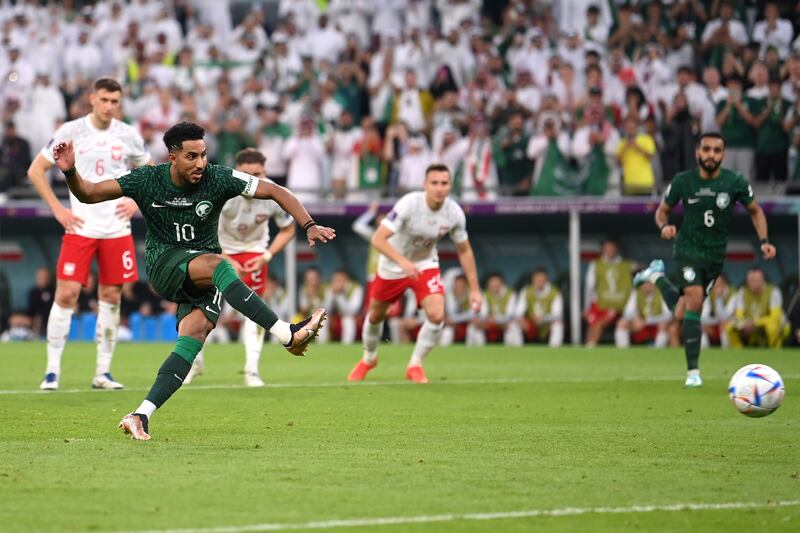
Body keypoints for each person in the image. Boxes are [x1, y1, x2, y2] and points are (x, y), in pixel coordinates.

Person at [52, 121, 335, 440]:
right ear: (172, 157)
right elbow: (89, 193)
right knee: (220, 264)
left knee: (194, 336)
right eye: (191, 156)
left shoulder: (217, 177)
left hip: (203, 272)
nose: (200, 163)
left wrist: (308, 224)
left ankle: (141, 414)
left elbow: (274, 190)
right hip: (165, 264)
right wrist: (71, 171)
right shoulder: (148, 179)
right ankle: (287, 334)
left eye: (203, 154)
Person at [27, 78, 152, 391]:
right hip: (80, 227)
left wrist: (135, 200)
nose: (109, 106)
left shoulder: (128, 135)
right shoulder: (71, 130)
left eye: (115, 101)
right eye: (105, 100)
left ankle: (103, 372)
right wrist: (57, 209)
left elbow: (151, 171)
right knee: (66, 294)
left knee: (111, 297)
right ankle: (52, 370)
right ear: (92, 99)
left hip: (116, 230)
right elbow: (35, 170)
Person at [634, 132, 776, 387]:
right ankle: (693, 373)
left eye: (717, 150)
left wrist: (765, 241)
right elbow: (661, 212)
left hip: (714, 256)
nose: (711, 155)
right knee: (696, 302)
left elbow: (756, 211)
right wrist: (664, 226)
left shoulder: (734, 182)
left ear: (723, 154)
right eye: (706, 149)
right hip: (688, 249)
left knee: (681, 312)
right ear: (697, 153)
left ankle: (655, 276)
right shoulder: (683, 181)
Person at [347, 163, 482, 383]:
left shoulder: (454, 213)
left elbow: (464, 250)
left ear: (450, 186)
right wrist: (403, 263)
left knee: (437, 315)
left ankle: (415, 364)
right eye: (435, 183)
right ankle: (369, 359)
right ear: (425, 185)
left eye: (444, 183)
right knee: (375, 316)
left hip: (425, 264)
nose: (439, 188)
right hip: (392, 265)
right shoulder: (409, 204)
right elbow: (378, 239)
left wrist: (475, 290)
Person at [185, 148, 297, 387]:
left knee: (254, 311)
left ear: (265, 172)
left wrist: (266, 256)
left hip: (255, 252)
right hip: (218, 250)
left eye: (258, 174)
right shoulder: (222, 191)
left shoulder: (274, 193)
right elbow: (199, 229)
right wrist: (223, 257)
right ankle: (194, 364)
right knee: (200, 307)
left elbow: (289, 229)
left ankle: (252, 370)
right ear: (237, 173)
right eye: (247, 174)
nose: (253, 180)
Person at [583, 238, 633, 347]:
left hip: (615, 304)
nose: (609, 250)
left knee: (599, 324)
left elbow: (639, 268)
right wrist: (586, 307)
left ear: (616, 249)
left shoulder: (625, 265)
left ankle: (590, 349)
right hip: (598, 303)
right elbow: (589, 286)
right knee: (592, 327)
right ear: (603, 249)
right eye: (607, 248)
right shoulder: (596, 264)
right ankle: (588, 350)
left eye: (611, 247)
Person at [726, 267, 790, 348]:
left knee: (772, 327)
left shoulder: (773, 291)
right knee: (730, 327)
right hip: (749, 324)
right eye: (751, 280)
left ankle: (775, 352)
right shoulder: (743, 292)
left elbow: (775, 317)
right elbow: (739, 315)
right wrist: (744, 323)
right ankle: (738, 352)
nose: (754, 283)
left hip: (777, 325)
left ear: (763, 280)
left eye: (757, 280)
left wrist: (755, 323)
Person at [514, 269, 564, 347]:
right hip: (532, 324)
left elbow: (558, 314)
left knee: (558, 324)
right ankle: (517, 350)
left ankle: (554, 351)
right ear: (533, 280)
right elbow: (518, 313)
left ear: (546, 280)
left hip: (547, 324)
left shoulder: (555, 293)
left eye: (542, 280)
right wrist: (522, 321)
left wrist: (544, 318)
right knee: (514, 323)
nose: (539, 283)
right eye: (537, 280)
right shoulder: (526, 291)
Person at [615, 281, 673, 348]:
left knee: (664, 324)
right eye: (645, 284)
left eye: (649, 283)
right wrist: (636, 318)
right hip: (640, 325)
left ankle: (658, 350)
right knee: (622, 323)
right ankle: (623, 351)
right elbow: (628, 312)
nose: (647, 286)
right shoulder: (636, 293)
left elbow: (668, 315)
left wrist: (646, 321)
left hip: (657, 324)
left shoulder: (661, 293)